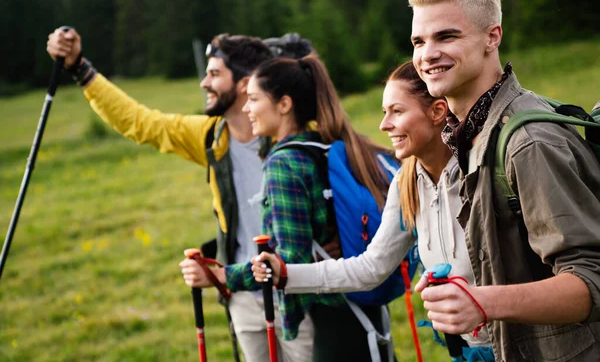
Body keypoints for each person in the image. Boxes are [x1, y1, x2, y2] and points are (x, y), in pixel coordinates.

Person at [46, 29, 318, 362]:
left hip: (300, 290)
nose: (204, 83)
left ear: (245, 83)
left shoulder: (298, 135)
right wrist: (79, 68)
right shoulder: (209, 136)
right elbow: (139, 122)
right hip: (242, 291)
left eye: (215, 74)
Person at [406, 0, 600, 361]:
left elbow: (590, 279)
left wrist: (482, 302)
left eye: (447, 36)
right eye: (418, 41)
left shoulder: (528, 143)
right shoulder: (471, 131)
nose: (427, 55)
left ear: (492, 37)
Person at [251, 61, 493, 355]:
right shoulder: (406, 182)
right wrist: (287, 275)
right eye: (384, 112)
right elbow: (371, 267)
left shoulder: (482, 172)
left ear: (437, 112)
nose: (384, 125)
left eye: (397, 111)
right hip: (466, 350)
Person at [180, 55, 396, 361]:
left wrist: (220, 276)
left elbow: (286, 261)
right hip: (360, 302)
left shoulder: (284, 163)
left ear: (284, 104)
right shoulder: (323, 145)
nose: (246, 108)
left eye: (254, 99)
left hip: (328, 315)